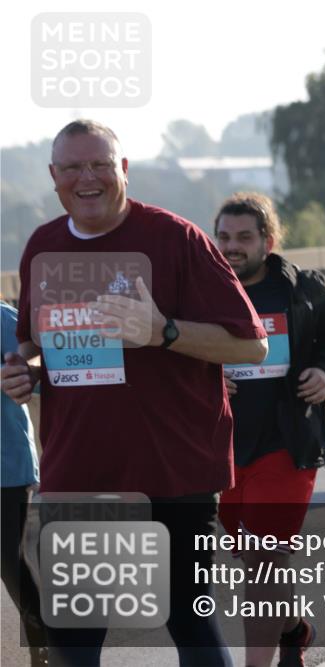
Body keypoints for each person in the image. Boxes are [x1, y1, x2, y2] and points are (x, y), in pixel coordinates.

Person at [1, 119, 268, 666]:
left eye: (100, 164)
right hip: (80, 476)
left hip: (175, 474)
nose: (88, 178)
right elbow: (32, 342)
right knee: (73, 643)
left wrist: (163, 331)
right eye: (73, 167)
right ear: (54, 177)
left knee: (190, 625)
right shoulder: (43, 247)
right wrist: (23, 370)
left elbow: (251, 347)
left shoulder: (176, 238)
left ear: (124, 168)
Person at [213, 192, 325, 667]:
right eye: (224, 237)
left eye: (243, 238)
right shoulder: (205, 290)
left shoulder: (300, 287)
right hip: (226, 447)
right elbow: (177, 352)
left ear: (268, 241)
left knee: (261, 558)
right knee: (260, 559)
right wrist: (208, 380)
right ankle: (294, 630)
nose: (232, 247)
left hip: (287, 442)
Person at [1, 300, 47, 667]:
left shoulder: (8, 322)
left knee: (8, 562)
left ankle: (42, 639)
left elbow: (52, 374)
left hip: (6, 467)